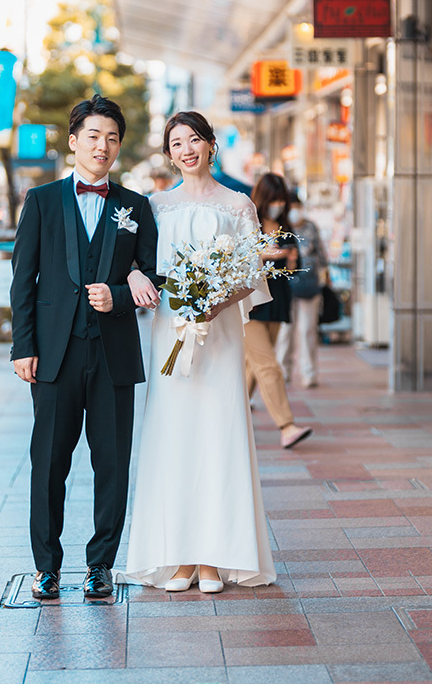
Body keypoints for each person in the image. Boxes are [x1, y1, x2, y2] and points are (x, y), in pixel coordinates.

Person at [10, 95, 162, 601]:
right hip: (54, 355)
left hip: (113, 353)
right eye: (94, 136)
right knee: (49, 463)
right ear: (74, 141)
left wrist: (119, 293)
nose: (103, 146)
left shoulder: (135, 206)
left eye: (112, 138)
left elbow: (153, 275)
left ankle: (101, 565)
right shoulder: (42, 201)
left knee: (112, 464)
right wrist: (22, 346)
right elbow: (23, 280)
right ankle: (46, 568)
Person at [124, 111, 276, 593]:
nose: (186, 150)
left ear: (210, 144)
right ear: (168, 154)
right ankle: (180, 556)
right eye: (177, 143)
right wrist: (136, 276)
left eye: (194, 140)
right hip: (170, 332)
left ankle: (214, 557)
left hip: (220, 333)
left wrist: (214, 304)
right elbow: (134, 262)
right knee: (173, 436)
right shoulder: (155, 206)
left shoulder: (238, 204)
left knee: (218, 433)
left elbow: (252, 274)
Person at [244, 174, 313, 448]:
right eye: (273, 199)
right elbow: (238, 261)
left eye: (281, 199)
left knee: (253, 366)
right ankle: (286, 426)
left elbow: (293, 269)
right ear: (263, 198)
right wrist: (263, 254)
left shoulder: (285, 228)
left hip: (277, 302)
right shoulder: (248, 223)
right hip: (250, 303)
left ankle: (229, 418)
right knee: (268, 365)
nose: (278, 205)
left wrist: (291, 259)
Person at [275, 194, 329, 388]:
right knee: (285, 331)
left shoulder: (311, 227)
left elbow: (321, 254)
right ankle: (283, 371)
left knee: (307, 330)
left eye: (296, 206)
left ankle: (309, 373)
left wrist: (325, 276)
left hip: (309, 286)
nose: (294, 211)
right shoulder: (280, 228)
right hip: (286, 287)